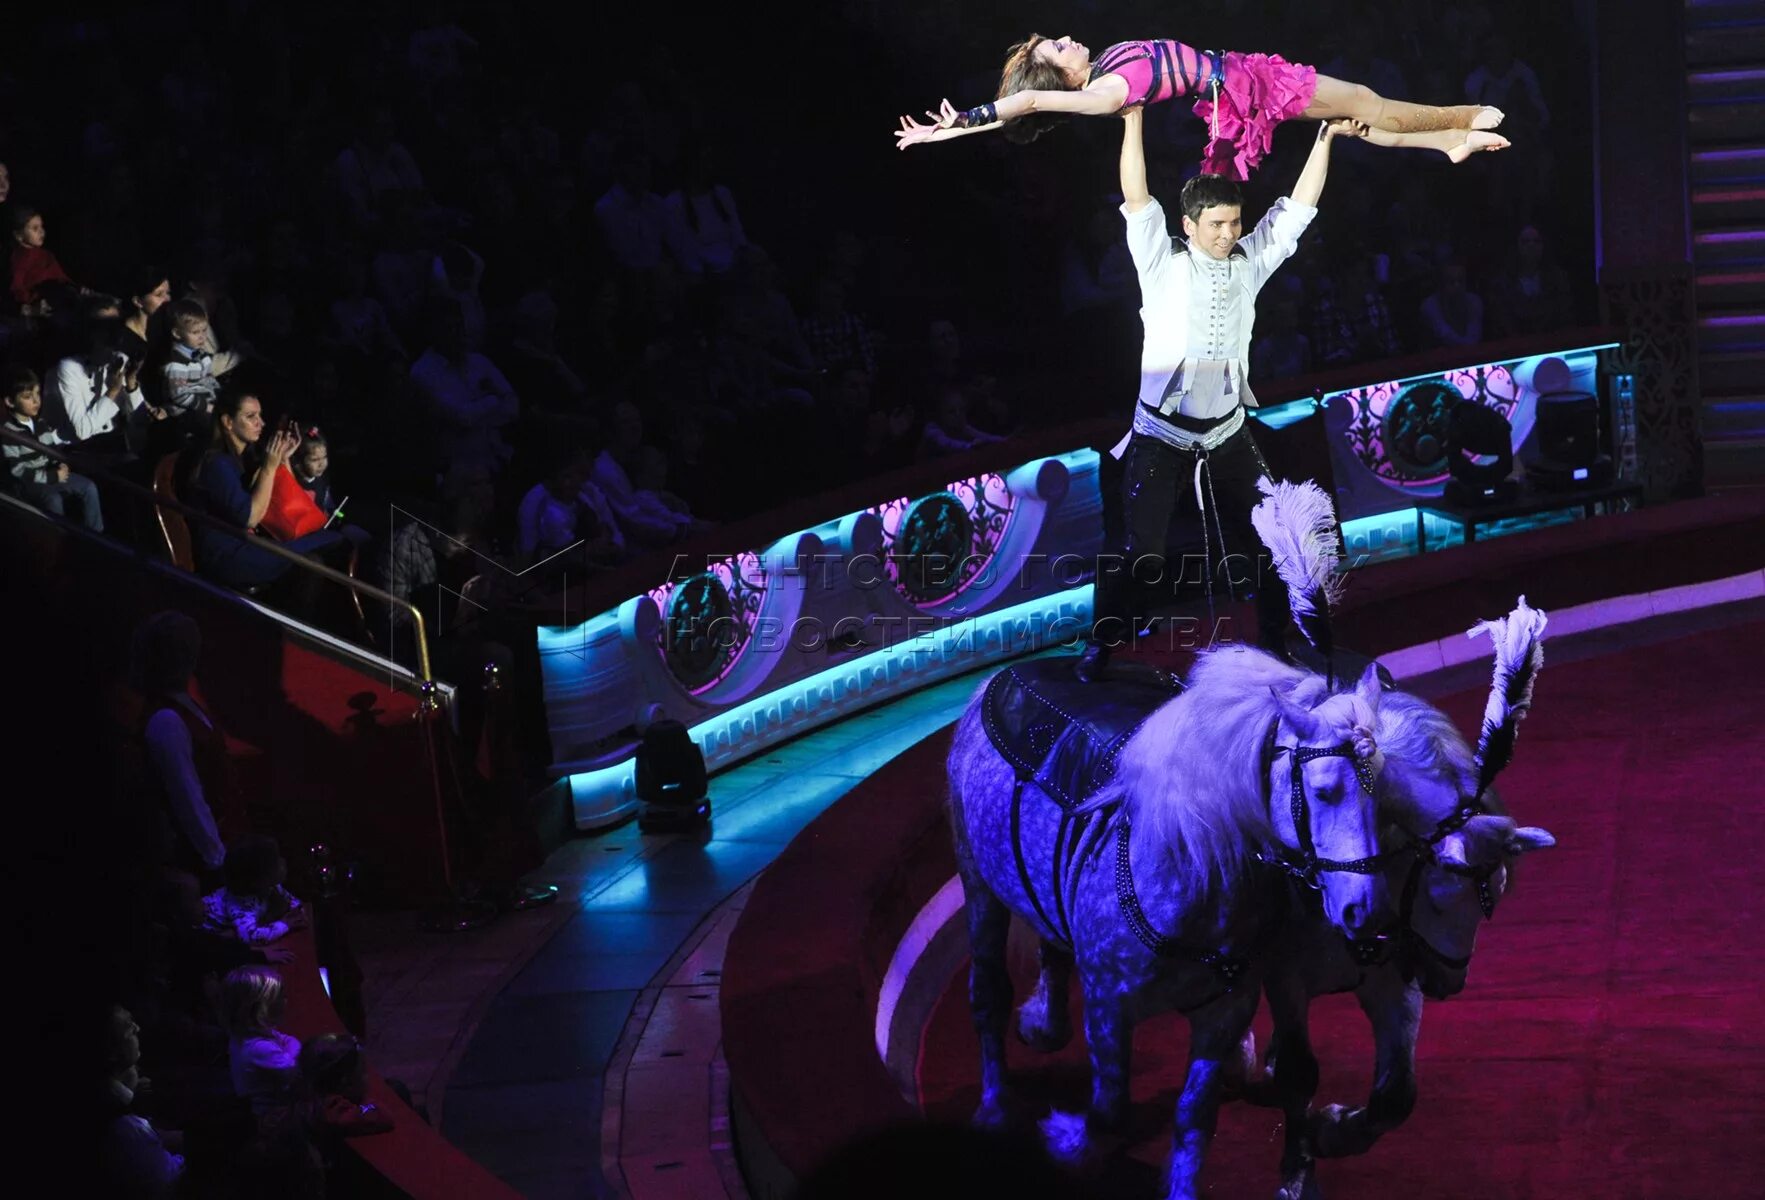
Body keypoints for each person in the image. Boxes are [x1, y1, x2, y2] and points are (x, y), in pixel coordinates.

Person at [1075, 111, 1358, 683]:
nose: (1229, 234)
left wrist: (1324, 140)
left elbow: (1298, 211)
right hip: (1160, 435)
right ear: (1189, 224)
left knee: (1278, 542)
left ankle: (1276, 641)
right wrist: (1132, 121)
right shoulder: (1160, 263)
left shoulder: (1248, 265)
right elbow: (1136, 192)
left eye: (1234, 223)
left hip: (1227, 434)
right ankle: (1102, 644)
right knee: (1139, 554)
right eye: (1217, 225)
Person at [894, 34, 1510, 178]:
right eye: (1058, 46)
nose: (1068, 38)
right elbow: (1024, 101)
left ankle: (1446, 142)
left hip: (1242, 76)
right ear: (1056, 70)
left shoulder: (1107, 63)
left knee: (1349, 123)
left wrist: (950, 133)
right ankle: (1459, 118)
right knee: (1366, 105)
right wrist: (961, 123)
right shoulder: (1103, 93)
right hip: (1250, 87)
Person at [185, 393, 351, 591]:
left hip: (253, 542)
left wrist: (283, 460)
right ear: (228, 422)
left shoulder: (246, 457)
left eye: (260, 415)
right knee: (326, 545)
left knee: (325, 547)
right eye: (251, 416)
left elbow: (282, 505)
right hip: (230, 553)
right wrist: (269, 468)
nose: (261, 423)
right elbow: (251, 517)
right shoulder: (217, 464)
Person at [2, 366, 104, 531]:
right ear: (10, 401)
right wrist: (50, 477)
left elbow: (52, 449)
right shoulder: (8, 432)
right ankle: (57, 540)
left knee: (88, 487)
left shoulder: (40, 423)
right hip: (28, 482)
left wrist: (60, 464)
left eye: (37, 393)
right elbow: (18, 470)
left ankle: (96, 536)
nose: (36, 400)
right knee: (53, 499)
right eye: (28, 397)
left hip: (50, 473)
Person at [202, 836, 307, 946]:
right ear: (258, 879)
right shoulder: (239, 903)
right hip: (206, 941)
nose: (283, 862)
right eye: (275, 862)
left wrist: (297, 913)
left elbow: (293, 903)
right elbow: (251, 937)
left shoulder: (270, 887)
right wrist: (285, 924)